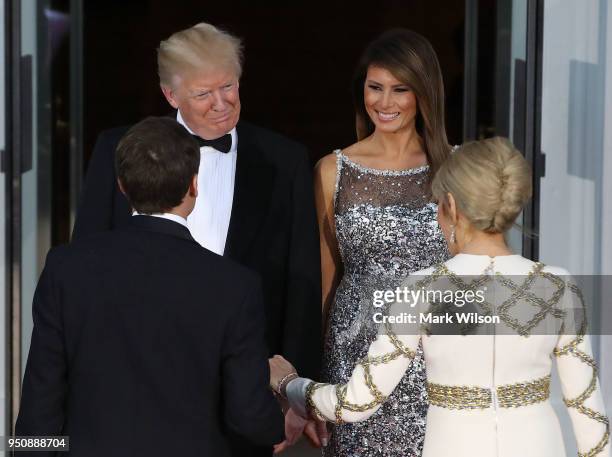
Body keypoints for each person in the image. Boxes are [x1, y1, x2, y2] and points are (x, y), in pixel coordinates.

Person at [272, 137, 611, 457]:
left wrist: (290, 384)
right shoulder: (559, 285)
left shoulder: (422, 289)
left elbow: (357, 402)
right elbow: (589, 416)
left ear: (450, 205)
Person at [71, 23, 322, 456]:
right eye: (204, 93)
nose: (222, 104)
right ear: (171, 96)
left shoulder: (286, 162)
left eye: (229, 86)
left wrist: (295, 393)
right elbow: (83, 274)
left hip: (243, 400)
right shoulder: (118, 149)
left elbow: (300, 282)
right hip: (129, 390)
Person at [15, 117, 285, 457]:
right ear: (193, 186)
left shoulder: (66, 269)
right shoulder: (235, 286)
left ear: (122, 186)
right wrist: (282, 405)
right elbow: (251, 421)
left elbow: (38, 412)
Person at [313, 29, 451, 456]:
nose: (384, 103)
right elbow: (327, 281)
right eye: (375, 88)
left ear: (423, 93)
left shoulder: (457, 169)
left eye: (399, 89)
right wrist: (320, 386)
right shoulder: (332, 171)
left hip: (437, 355)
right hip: (355, 351)